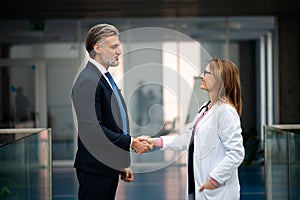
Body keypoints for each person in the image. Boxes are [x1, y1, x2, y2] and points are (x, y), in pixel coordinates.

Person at [140, 58, 245, 200]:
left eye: (206, 73)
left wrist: (214, 180)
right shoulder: (205, 108)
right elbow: (186, 139)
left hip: (217, 190)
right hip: (198, 186)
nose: (202, 76)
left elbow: (236, 153)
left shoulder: (226, 111)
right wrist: (154, 142)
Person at [71, 23, 152, 200]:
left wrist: (120, 164)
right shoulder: (88, 81)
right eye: (113, 46)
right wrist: (131, 142)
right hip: (95, 169)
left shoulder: (103, 77)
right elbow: (93, 131)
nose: (119, 51)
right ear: (97, 48)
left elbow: (112, 123)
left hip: (106, 166)